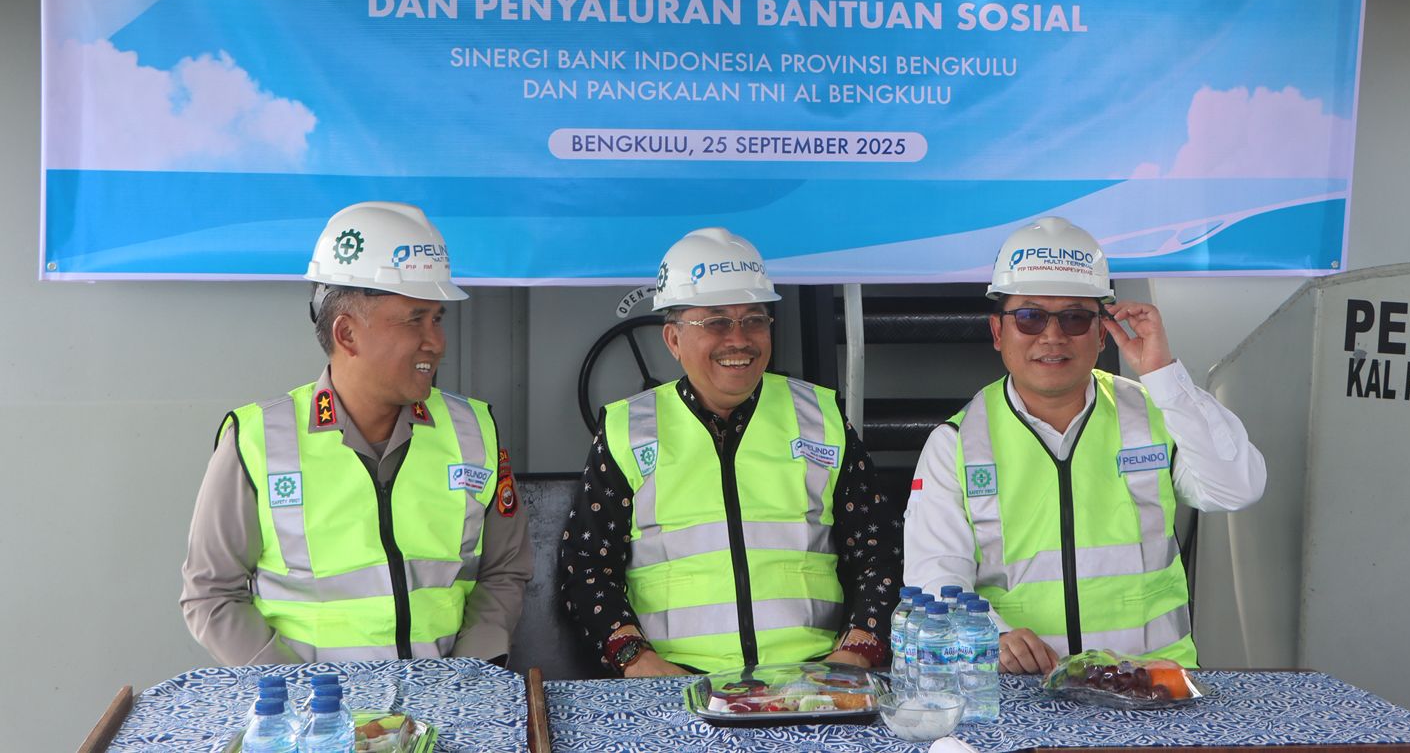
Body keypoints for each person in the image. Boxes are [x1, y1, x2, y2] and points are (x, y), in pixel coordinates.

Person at [903, 216, 1265, 672]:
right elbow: (935, 575)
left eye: (1075, 318)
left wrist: (1163, 376)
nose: (1052, 336)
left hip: (1150, 681)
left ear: (1101, 332)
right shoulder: (955, 442)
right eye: (1030, 317)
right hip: (1026, 687)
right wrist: (994, 637)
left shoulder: (1155, 412)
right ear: (998, 332)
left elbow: (1238, 488)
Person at [181, 201, 533, 664]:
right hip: (312, 708)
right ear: (346, 334)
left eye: (438, 318)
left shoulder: (473, 430)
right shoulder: (258, 440)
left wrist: (467, 674)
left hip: (446, 700)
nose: (436, 341)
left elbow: (504, 572)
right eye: (415, 319)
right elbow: (212, 595)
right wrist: (299, 694)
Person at [559, 227, 900, 676]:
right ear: (673, 340)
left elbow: (879, 551)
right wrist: (636, 660)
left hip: (811, 682)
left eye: (754, 319)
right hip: (674, 685)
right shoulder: (628, 429)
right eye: (716, 322)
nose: (739, 339)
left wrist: (856, 650)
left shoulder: (822, 418)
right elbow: (586, 567)